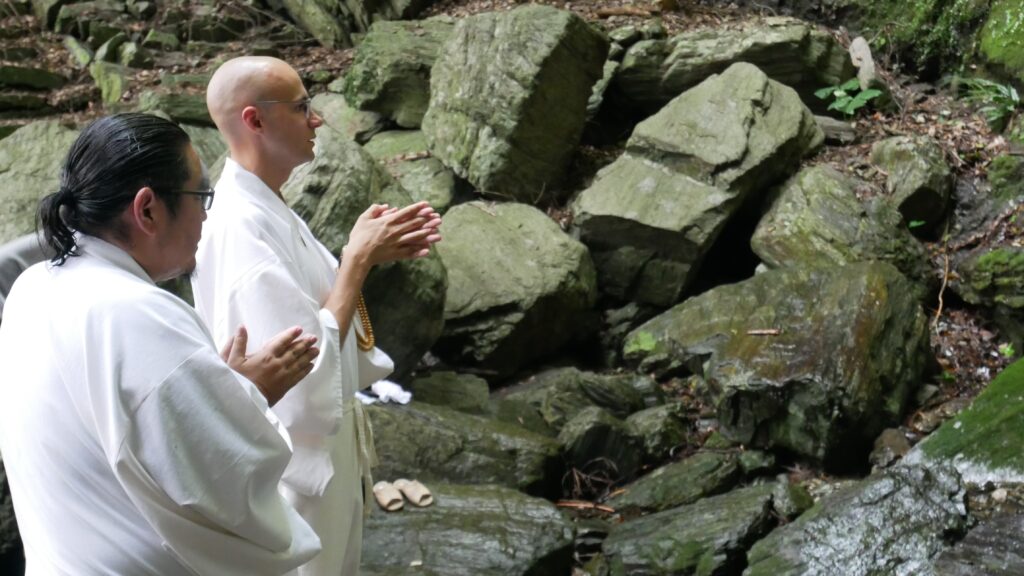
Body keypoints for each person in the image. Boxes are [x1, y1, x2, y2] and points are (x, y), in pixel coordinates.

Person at [0, 113, 324, 575]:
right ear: (148, 209)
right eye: (200, 196)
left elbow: (119, 434)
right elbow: (221, 486)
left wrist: (216, 391)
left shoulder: (33, 287)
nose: (206, 214)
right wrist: (247, 401)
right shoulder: (140, 316)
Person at [193, 56, 441, 575]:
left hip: (325, 460)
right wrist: (356, 260)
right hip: (293, 476)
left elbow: (319, 315)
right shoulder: (239, 228)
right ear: (254, 120)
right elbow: (300, 373)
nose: (318, 119)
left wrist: (367, 252)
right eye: (304, 106)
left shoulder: (267, 207)